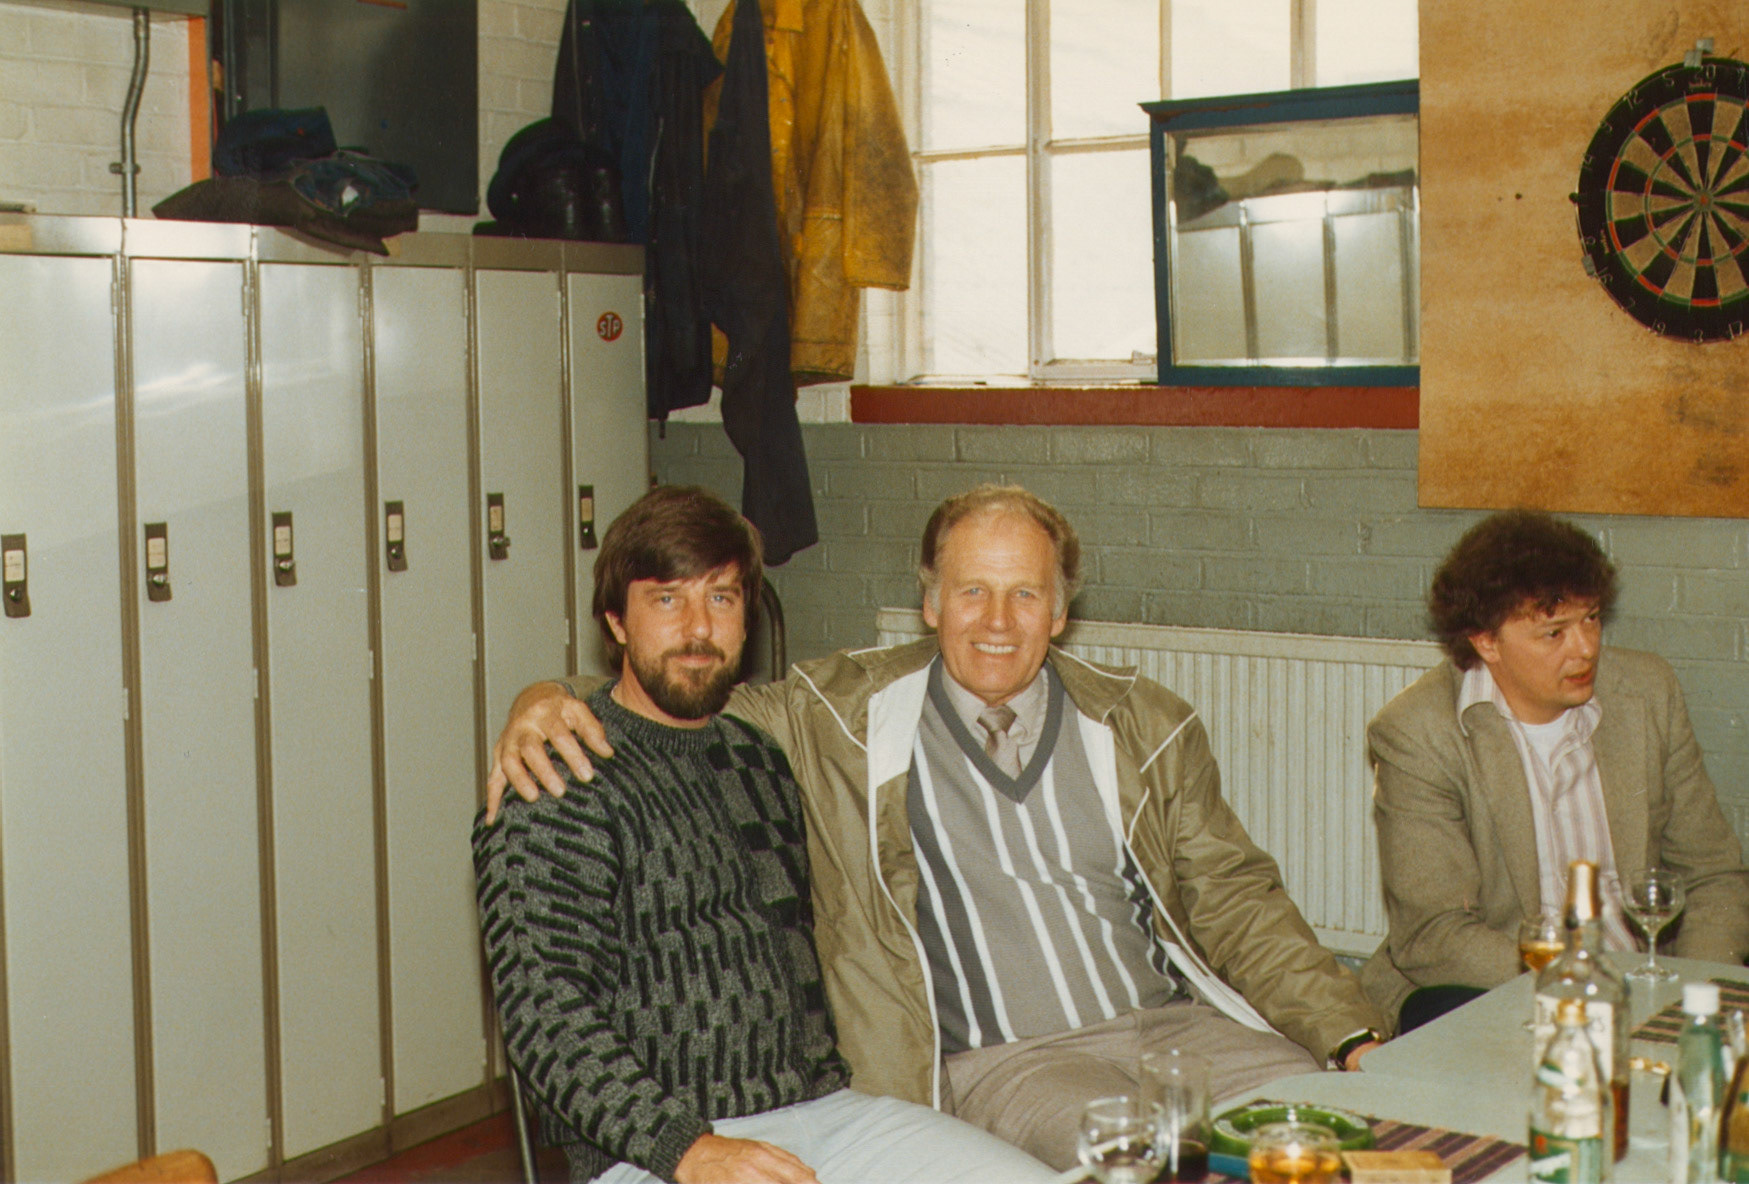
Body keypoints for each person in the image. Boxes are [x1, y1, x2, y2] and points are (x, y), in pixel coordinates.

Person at [489, 484, 1386, 1170]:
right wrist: (546, 698)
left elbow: (1236, 899)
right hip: (1014, 1063)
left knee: (1357, 1140)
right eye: (971, 592)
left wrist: (1347, 1037)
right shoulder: (832, 718)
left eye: (1024, 595)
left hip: (1182, 1030)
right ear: (929, 603)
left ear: (1060, 611)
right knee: (1151, 1170)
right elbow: (673, 693)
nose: (996, 622)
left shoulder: (1140, 723)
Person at [473, 485, 1055, 1184]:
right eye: (667, 599)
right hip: (656, 1151)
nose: (698, 628)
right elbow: (544, 1013)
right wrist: (687, 1148)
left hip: (831, 1115)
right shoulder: (556, 778)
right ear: (616, 622)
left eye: (721, 598)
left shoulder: (759, 757)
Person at [1361, 509, 1749, 1034]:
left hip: (1647, 981)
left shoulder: (1647, 693)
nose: (1585, 648)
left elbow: (1713, 876)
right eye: (1554, 632)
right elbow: (1435, 934)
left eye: (1591, 619)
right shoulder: (1418, 732)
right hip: (1499, 987)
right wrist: (1586, 990)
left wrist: (1691, 999)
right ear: (1486, 641)